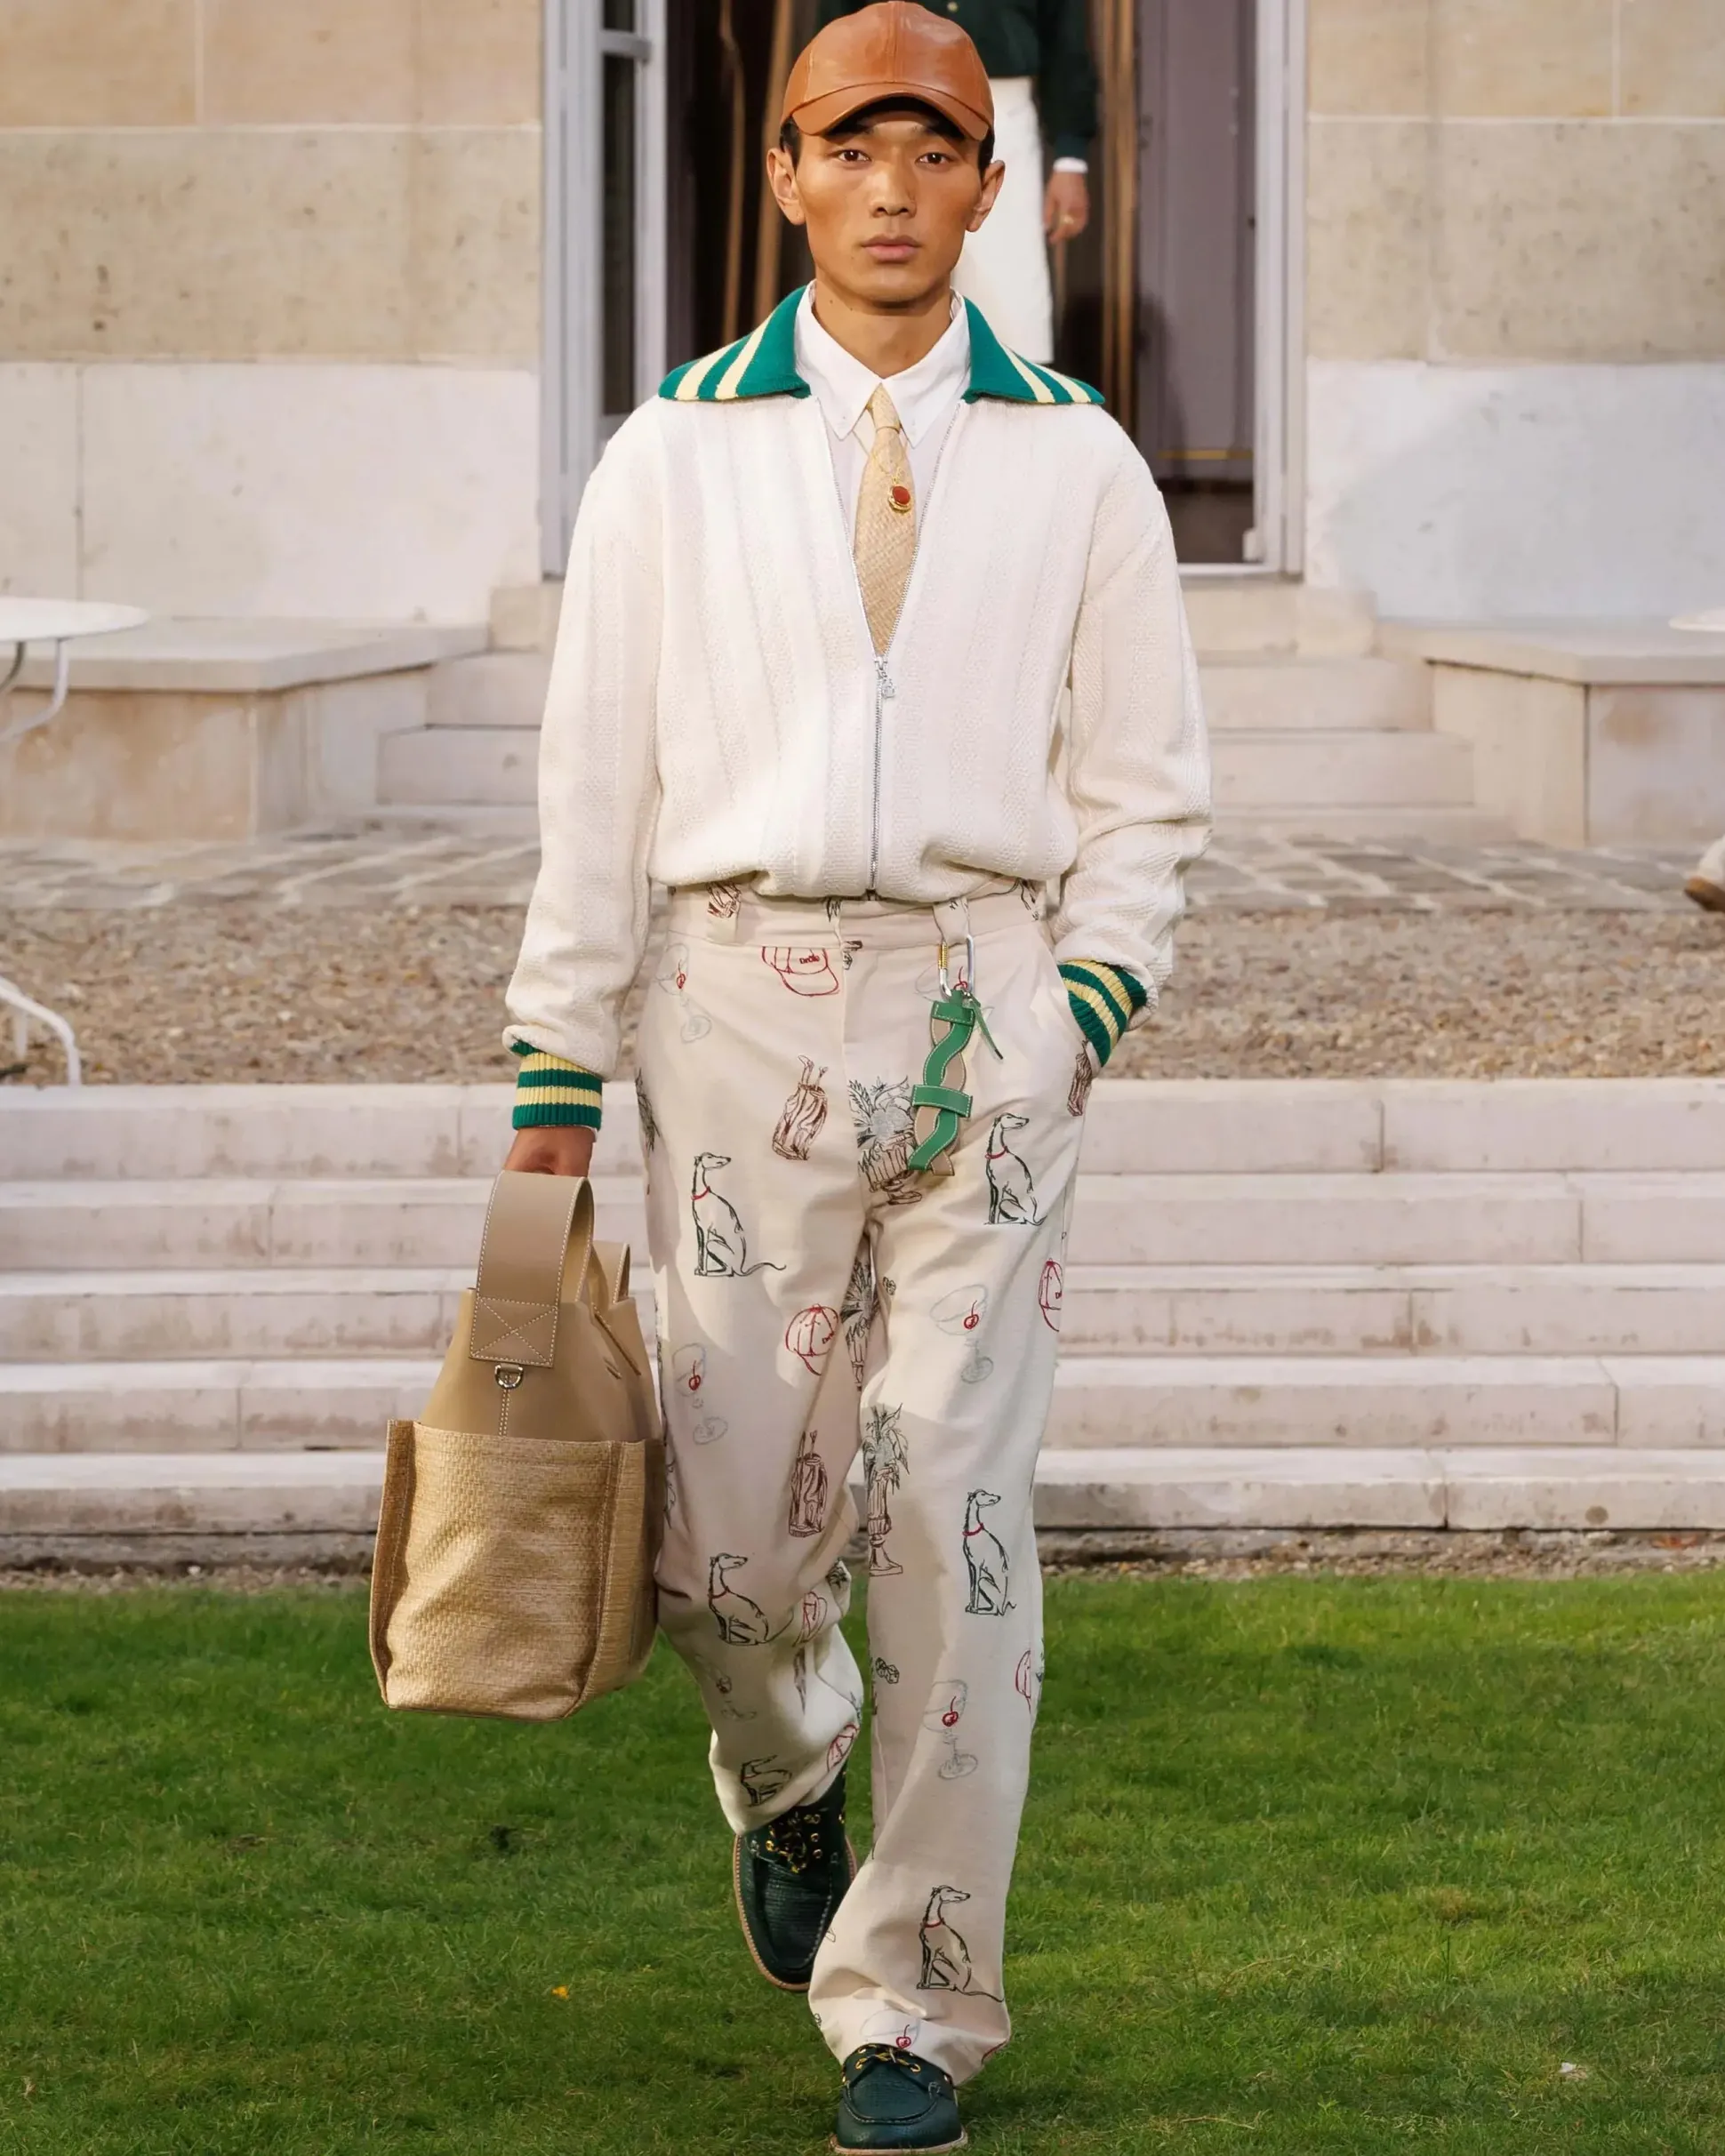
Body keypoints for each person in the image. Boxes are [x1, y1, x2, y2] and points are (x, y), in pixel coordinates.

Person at [502, 5, 1209, 2146]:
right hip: (732, 1013)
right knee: (727, 1555)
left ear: (987, 186)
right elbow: (591, 784)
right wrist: (554, 1082)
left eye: (934, 152)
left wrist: (1078, 1013)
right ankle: (786, 1766)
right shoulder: (672, 452)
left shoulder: (1079, 459)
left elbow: (1146, 791)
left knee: (954, 1517)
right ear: (787, 177)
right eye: (850, 149)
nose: (892, 189)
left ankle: (912, 2005)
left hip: (989, 1014)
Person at [818, 0, 1097, 362]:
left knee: (1008, 303)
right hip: (887, 99)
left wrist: (1071, 158)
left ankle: (1005, 397)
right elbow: (834, 31)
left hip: (1003, 107)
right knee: (886, 276)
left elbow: (1065, 38)